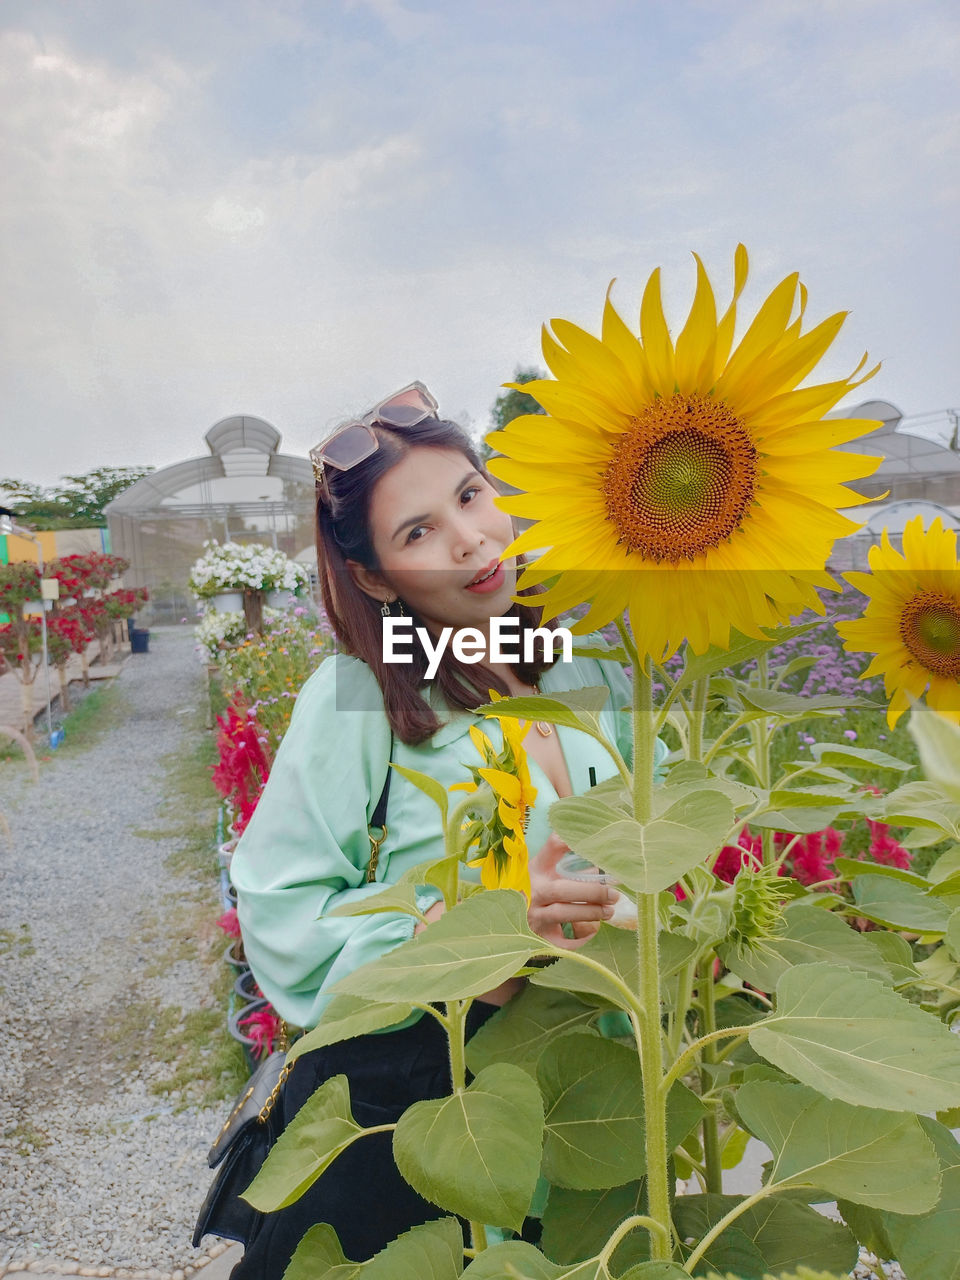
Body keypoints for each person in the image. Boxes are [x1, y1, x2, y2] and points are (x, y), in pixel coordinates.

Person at [228, 382, 666, 1275]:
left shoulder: (582, 667)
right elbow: (280, 911)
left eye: (470, 495)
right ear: (374, 576)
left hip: (582, 1072)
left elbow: (636, 839)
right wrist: (461, 933)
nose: (468, 540)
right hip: (430, 1086)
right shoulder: (360, 697)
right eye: (417, 532)